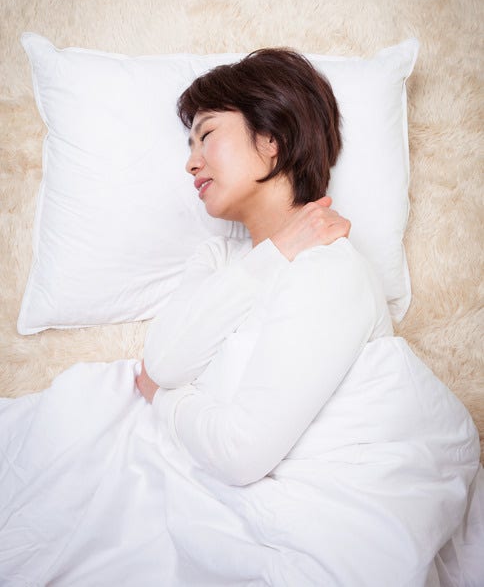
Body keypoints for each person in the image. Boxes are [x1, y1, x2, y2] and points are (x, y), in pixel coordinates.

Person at [0, 48, 482, 586]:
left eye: (206, 135)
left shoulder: (330, 269)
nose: (191, 162)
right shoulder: (218, 259)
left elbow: (238, 450)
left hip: (326, 510)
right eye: (189, 145)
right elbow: (164, 360)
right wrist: (273, 254)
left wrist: (163, 400)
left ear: (271, 140)